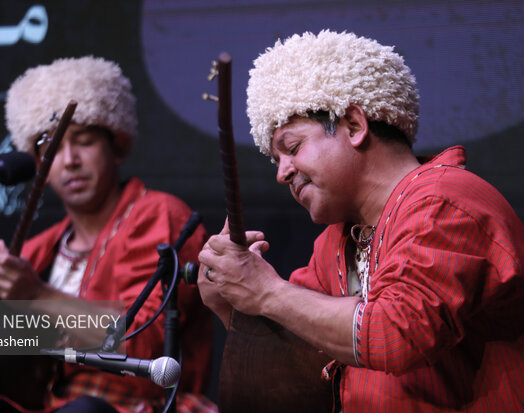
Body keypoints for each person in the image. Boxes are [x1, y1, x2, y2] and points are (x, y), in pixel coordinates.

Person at [197, 30, 524, 412]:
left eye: (292, 148)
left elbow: (396, 333)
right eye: (276, 160)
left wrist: (267, 292)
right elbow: (291, 353)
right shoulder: (336, 241)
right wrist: (232, 300)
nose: (282, 173)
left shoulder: (446, 201)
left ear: (354, 125)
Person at [0, 56, 215, 413]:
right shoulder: (35, 251)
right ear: (38, 163)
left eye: (84, 141)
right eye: (51, 150)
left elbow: (143, 343)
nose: (69, 159)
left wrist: (38, 295)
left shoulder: (158, 214)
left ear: (115, 146)